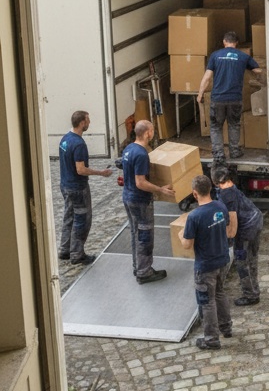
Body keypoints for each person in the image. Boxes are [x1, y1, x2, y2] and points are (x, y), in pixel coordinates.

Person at [178, 174, 235, 350]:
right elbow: (226, 230)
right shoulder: (220, 207)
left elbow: (187, 245)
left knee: (206, 301)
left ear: (195, 194)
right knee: (219, 293)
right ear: (210, 189)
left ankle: (211, 339)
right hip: (222, 259)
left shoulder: (194, 216)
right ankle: (226, 327)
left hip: (205, 265)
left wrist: (180, 235)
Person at [121, 119, 175, 284]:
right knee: (144, 235)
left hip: (128, 197)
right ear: (147, 133)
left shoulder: (129, 148)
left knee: (135, 233)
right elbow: (140, 182)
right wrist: (160, 189)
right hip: (139, 200)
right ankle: (144, 272)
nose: (153, 133)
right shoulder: (141, 154)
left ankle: (137, 266)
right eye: (152, 130)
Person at [196, 31, 262, 165]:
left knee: (215, 127)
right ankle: (234, 151)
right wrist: (262, 81)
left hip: (218, 99)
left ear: (224, 42)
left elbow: (207, 77)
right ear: (236, 43)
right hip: (235, 99)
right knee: (234, 124)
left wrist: (200, 93)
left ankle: (219, 155)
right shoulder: (243, 56)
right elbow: (258, 71)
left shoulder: (215, 56)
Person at [57, 109, 113, 265]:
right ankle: (77, 254)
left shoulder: (65, 139)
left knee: (69, 217)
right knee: (82, 219)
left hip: (65, 185)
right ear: (82, 123)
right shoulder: (79, 144)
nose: (89, 122)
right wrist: (101, 173)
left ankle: (65, 249)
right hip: (77, 188)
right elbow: (80, 169)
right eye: (88, 120)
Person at [212, 165, 264, 306]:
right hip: (256, 221)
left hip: (246, 230)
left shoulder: (226, 194)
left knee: (242, 262)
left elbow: (233, 222)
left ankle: (251, 295)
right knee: (252, 258)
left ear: (215, 181)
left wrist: (227, 239)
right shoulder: (231, 186)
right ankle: (254, 289)